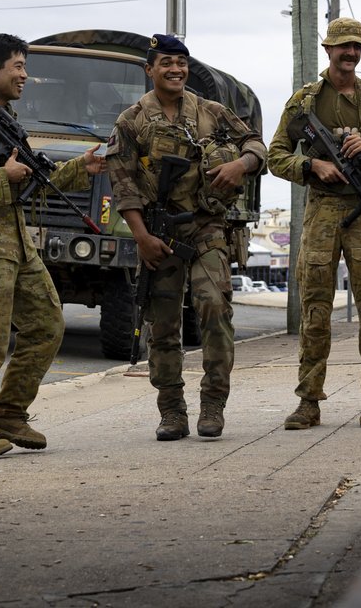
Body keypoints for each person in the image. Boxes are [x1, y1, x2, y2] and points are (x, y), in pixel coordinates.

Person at [0, 33, 105, 464]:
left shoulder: (4, 121)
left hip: (15, 245)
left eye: (25, 66)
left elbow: (33, 181)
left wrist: (81, 168)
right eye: (17, 66)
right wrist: (3, 179)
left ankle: (9, 415)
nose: (25, 75)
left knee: (47, 326)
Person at [106, 34, 266, 442]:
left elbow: (256, 145)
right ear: (150, 69)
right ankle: (172, 411)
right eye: (166, 63)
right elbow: (123, 185)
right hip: (158, 233)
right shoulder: (130, 121)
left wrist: (239, 167)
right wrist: (141, 238)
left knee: (214, 308)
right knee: (162, 326)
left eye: (181, 62)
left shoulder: (212, 112)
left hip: (206, 226)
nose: (175, 69)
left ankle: (213, 403)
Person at [267, 17, 361, 431]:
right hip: (322, 211)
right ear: (328, 50)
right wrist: (313, 165)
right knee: (314, 311)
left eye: (356, 47)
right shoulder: (305, 102)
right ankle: (309, 401)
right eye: (343, 46)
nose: (350, 53)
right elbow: (276, 156)